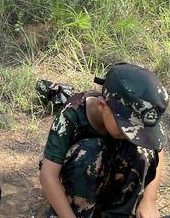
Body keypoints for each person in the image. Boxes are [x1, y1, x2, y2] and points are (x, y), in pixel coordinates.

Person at [39, 62, 169, 218]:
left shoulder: (139, 110)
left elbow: (157, 149)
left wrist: (149, 200)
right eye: (127, 129)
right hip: (79, 186)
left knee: (144, 151)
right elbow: (48, 175)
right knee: (89, 151)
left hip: (113, 180)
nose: (133, 135)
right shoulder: (71, 115)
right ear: (102, 105)